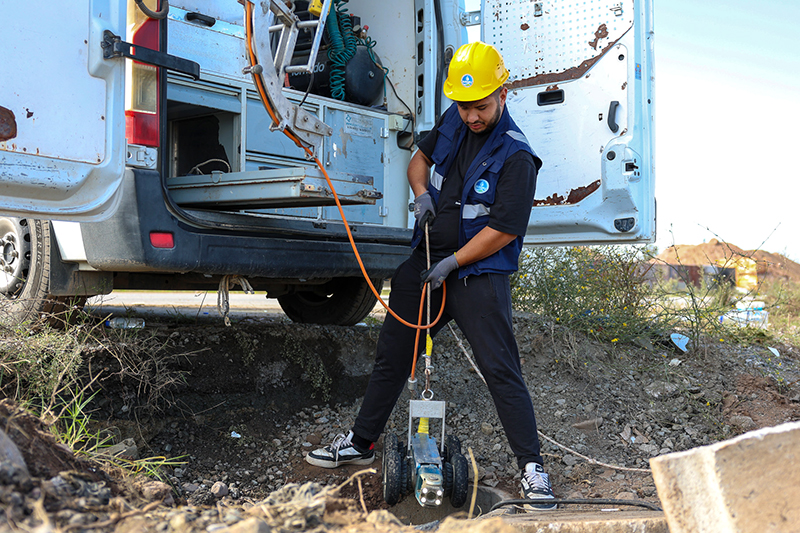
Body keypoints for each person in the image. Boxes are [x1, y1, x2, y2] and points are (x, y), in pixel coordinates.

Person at [305, 41, 554, 510]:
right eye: (463, 107)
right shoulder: (453, 123)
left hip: (477, 276)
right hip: (423, 265)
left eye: (480, 106)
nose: (471, 117)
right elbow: (419, 161)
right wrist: (421, 194)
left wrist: (455, 263)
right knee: (391, 357)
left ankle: (533, 469)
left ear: (504, 93)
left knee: (501, 371)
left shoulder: (518, 157)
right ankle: (361, 444)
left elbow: (502, 230)